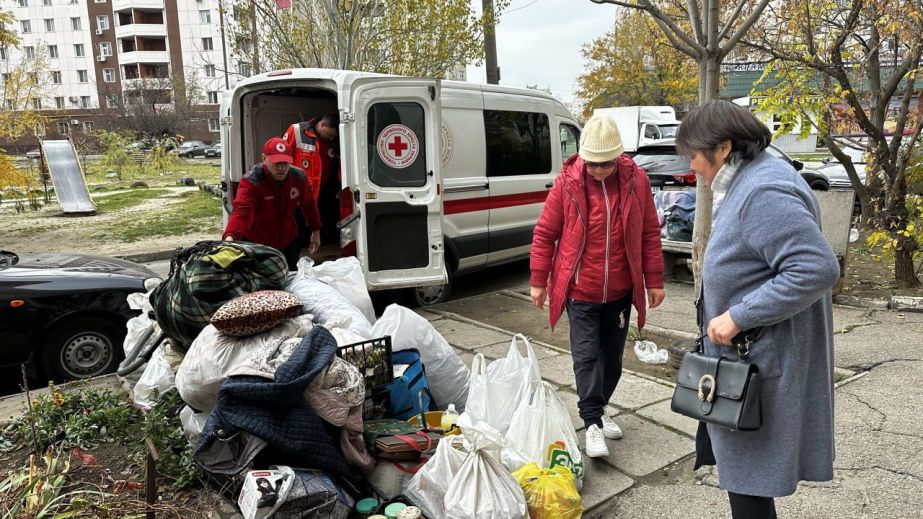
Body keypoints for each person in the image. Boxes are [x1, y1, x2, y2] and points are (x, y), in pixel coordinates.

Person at [675, 100, 840, 519]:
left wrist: (738, 315)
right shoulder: (755, 177)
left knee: (748, 483)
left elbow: (816, 267)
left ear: (723, 147)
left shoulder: (762, 190)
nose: (691, 166)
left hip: (757, 364)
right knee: (745, 479)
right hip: (754, 358)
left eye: (693, 154)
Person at [530, 115, 665, 459]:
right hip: (581, 292)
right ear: (583, 157)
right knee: (587, 357)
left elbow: (649, 232)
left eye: (606, 164)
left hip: (620, 292)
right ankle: (591, 423)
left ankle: (600, 409)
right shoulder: (567, 184)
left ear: (619, 157)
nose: (600, 171)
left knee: (613, 359)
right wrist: (538, 282)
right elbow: (546, 234)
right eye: (593, 164)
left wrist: (655, 280)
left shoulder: (637, 182)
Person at [223, 136, 321, 270]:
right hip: (258, 243)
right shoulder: (251, 182)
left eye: (285, 163)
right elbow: (241, 212)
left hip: (288, 241)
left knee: (290, 279)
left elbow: (309, 204)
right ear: (264, 158)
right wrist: (230, 237)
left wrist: (316, 231)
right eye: (276, 163)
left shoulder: (298, 177)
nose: (281, 168)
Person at [282, 114, 341, 245]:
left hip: (323, 192)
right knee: (299, 232)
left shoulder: (331, 142)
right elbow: (283, 157)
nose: (332, 138)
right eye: (331, 134)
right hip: (299, 193)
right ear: (323, 125)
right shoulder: (297, 131)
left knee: (321, 227)